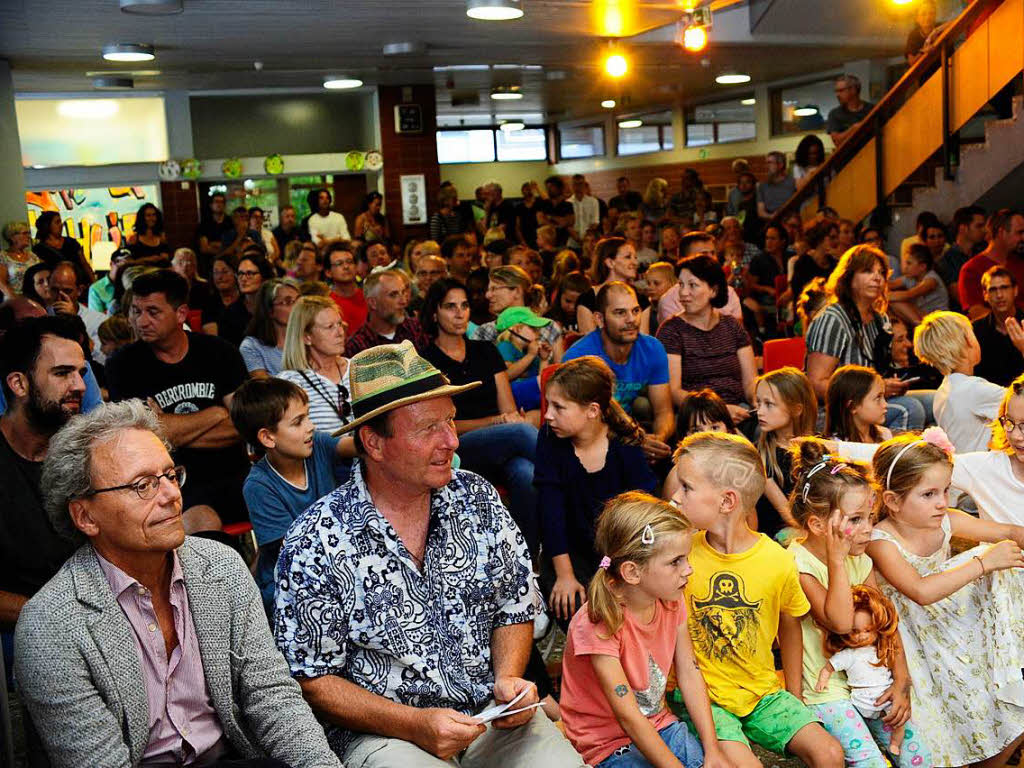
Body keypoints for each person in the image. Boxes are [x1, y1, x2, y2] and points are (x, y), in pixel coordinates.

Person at [273, 341, 582, 766]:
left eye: (451, 421)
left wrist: (509, 678)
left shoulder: (477, 498)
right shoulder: (317, 537)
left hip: (490, 715)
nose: (452, 441)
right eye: (428, 429)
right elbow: (313, 676)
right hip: (386, 734)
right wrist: (413, 724)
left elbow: (514, 604)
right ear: (374, 442)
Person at [15, 399, 342, 768]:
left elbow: (272, 697)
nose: (171, 496)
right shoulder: (52, 625)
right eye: (143, 485)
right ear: (85, 516)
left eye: (171, 476)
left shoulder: (221, 567)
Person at [668, 432, 843, 767]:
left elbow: (789, 623)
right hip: (705, 697)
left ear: (727, 501)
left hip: (761, 692)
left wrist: (794, 692)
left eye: (686, 487)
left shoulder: (777, 559)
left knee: (830, 753)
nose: (675, 497)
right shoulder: (680, 555)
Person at [867, 432, 1024, 766]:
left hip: (951, 629)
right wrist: (982, 563)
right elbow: (921, 592)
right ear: (893, 501)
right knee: (986, 556)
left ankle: (1013, 663)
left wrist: (1009, 543)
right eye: (929, 494)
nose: (942, 502)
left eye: (945, 490)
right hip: (914, 642)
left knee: (1004, 714)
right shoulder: (882, 542)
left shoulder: (946, 519)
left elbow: (1011, 532)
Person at [559, 492, 729, 768]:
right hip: (605, 744)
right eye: (676, 561)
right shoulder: (597, 622)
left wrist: (713, 750)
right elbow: (628, 716)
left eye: (686, 558)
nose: (688, 570)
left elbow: (689, 671)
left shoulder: (671, 598)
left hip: (660, 724)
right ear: (632, 572)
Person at [786, 441, 926, 766]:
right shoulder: (798, 565)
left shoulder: (859, 561)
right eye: (855, 519)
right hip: (825, 689)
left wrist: (901, 682)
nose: (868, 529)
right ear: (818, 525)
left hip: (870, 680)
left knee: (919, 756)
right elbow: (841, 623)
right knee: (870, 762)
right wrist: (836, 563)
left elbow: (885, 624)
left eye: (870, 517)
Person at [106, 269, 250, 524]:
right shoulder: (123, 364)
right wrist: (217, 414)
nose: (141, 321)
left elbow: (244, 424)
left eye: (153, 312)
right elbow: (146, 437)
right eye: (136, 311)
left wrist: (171, 429)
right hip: (169, 484)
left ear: (181, 313)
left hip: (235, 475)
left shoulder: (219, 352)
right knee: (201, 519)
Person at [419, 279, 540, 554]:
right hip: (457, 446)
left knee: (527, 474)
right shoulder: (425, 360)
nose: (460, 313)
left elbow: (508, 409)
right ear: (435, 313)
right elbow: (439, 426)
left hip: (503, 442)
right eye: (451, 307)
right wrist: (496, 422)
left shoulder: (486, 350)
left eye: (464, 306)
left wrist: (505, 421)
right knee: (520, 432)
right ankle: (570, 473)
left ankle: (527, 559)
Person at [537, 358, 658, 623]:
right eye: (549, 404)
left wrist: (612, 574)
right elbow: (551, 511)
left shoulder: (625, 445)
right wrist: (565, 575)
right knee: (578, 608)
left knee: (624, 609)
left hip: (616, 554)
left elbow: (639, 517)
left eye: (559, 407)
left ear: (592, 411)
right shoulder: (550, 438)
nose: (548, 415)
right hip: (570, 552)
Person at [230, 377, 352, 607]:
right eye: (298, 422)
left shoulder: (318, 444)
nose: (311, 426)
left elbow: (358, 446)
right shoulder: (259, 486)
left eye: (308, 416)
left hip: (335, 564)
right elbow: (299, 551)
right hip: (289, 587)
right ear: (267, 437)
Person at [0, 316, 86, 638]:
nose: (79, 386)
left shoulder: (90, 452)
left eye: (81, 373)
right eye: (63, 373)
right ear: (19, 384)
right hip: (23, 635)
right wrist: (58, 615)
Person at [805, 245, 931, 433]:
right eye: (867, 271)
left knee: (937, 401)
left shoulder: (880, 319)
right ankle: (893, 460)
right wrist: (871, 390)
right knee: (911, 409)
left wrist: (890, 383)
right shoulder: (832, 319)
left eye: (881, 272)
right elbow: (816, 384)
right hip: (838, 409)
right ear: (848, 278)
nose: (877, 277)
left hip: (872, 400)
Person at [562, 282, 674, 460]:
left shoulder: (652, 348)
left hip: (631, 432)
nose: (631, 319)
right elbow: (581, 426)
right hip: (590, 442)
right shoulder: (579, 357)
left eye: (636, 311)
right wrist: (634, 443)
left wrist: (659, 439)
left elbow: (664, 411)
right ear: (599, 319)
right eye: (620, 312)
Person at [656, 254, 755, 423]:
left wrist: (758, 402)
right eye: (681, 285)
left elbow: (750, 382)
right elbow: (674, 392)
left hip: (739, 409)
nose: (683, 293)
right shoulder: (672, 330)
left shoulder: (731, 326)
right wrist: (720, 410)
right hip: (698, 416)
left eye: (692, 285)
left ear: (713, 290)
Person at [913, 310, 1003, 453]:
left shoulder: (943, 390)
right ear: (967, 341)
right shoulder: (974, 390)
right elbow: (1018, 400)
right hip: (980, 470)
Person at [752, 367, 817, 541]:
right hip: (777, 535)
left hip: (814, 528)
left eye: (769, 404)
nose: (760, 411)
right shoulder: (759, 455)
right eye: (758, 403)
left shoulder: (817, 448)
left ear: (797, 409)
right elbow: (789, 515)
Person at [277, 295, 353, 434]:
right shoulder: (291, 382)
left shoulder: (358, 368)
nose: (340, 332)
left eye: (340, 324)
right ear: (307, 337)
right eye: (330, 327)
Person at [472, 265, 563, 357]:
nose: (488, 295)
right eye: (488, 290)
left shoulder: (548, 327)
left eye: (494, 289)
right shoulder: (484, 332)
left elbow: (559, 368)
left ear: (517, 291)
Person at [344, 268, 427, 356]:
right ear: (373, 303)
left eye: (403, 292)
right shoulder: (357, 346)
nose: (403, 301)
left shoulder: (416, 329)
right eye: (393, 295)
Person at [959, 209, 1024, 320]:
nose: (1023, 238)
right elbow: (976, 312)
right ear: (1001, 233)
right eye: (1019, 232)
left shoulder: (1019, 262)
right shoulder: (971, 269)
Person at [577, 237, 641, 335]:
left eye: (635, 257)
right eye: (628, 257)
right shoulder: (588, 299)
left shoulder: (640, 298)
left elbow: (643, 342)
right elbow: (589, 344)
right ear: (610, 262)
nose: (635, 263)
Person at [973, 266, 1024, 386]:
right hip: (988, 399)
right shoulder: (975, 330)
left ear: (1015, 290)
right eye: (993, 290)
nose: (999, 295)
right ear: (985, 294)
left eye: (1004, 288)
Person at [48, 260, 106, 362]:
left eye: (67, 291)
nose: (59, 297)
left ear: (79, 290)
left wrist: (75, 321)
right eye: (54, 290)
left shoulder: (98, 321)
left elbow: (100, 359)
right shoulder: (42, 316)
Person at [240, 279, 300, 378]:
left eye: (298, 301)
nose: (297, 307)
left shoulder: (309, 338)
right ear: (269, 310)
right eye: (288, 302)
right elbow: (267, 389)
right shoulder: (252, 347)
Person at [219, 253, 275, 346]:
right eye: (240, 274)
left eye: (249, 273)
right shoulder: (230, 313)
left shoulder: (275, 308)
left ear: (264, 277)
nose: (243, 279)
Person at [826, 365, 892, 443]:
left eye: (883, 396)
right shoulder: (837, 446)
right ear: (852, 406)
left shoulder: (884, 435)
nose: (885, 404)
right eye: (878, 398)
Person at [888, 243, 948, 325]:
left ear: (922, 267)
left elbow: (909, 294)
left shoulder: (931, 280)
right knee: (892, 304)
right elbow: (890, 284)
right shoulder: (910, 277)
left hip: (939, 319)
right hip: (923, 315)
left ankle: (920, 327)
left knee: (896, 302)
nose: (905, 267)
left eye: (909, 263)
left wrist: (885, 296)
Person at [31, 211, 94, 287]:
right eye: (57, 222)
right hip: (60, 286)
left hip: (80, 284)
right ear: (47, 226)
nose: (61, 225)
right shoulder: (40, 249)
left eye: (60, 222)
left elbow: (84, 264)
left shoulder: (71, 242)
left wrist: (93, 281)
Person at [937, 205, 986, 299]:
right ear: (963, 228)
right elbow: (961, 296)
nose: (984, 230)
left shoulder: (982, 251)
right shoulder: (947, 260)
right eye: (979, 226)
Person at [323, 241, 367, 335]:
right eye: (339, 263)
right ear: (328, 272)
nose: (346, 267)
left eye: (349, 262)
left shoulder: (369, 296)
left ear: (356, 267)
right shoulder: (326, 303)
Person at [826, 73, 874, 146]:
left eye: (841, 91)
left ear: (853, 90)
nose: (837, 95)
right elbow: (837, 142)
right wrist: (853, 129)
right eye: (836, 91)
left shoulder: (872, 109)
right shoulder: (835, 114)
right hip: (850, 156)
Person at [0, 220, 40, 299]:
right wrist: (15, 299)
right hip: (14, 300)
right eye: (25, 233)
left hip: (35, 297)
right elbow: (1, 283)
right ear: (13, 237)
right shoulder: (3, 257)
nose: (28, 236)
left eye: (29, 233)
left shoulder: (33, 256)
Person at [201, 255, 241, 336]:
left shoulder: (245, 300)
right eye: (216, 273)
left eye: (225, 272)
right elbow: (214, 339)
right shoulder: (210, 304)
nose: (220, 277)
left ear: (236, 273)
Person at [196, 191, 233, 271]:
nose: (219, 204)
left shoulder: (230, 222)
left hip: (229, 264)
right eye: (216, 202)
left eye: (221, 202)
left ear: (224, 205)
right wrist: (224, 247)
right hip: (209, 264)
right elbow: (204, 248)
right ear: (211, 205)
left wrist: (213, 244)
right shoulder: (204, 223)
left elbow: (233, 246)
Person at [127, 202, 171, 266]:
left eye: (154, 215)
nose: (152, 218)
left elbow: (167, 257)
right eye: (148, 215)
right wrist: (147, 259)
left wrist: (163, 257)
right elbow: (129, 261)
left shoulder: (161, 237)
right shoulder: (134, 239)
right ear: (142, 218)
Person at [756, 152, 797, 221]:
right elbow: (761, 212)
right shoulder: (762, 186)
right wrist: (771, 216)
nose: (766, 166)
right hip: (771, 221)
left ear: (780, 165)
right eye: (766, 163)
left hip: (791, 219)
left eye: (770, 163)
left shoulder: (793, 182)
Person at [638, 262, 675, 337]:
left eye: (656, 283)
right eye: (648, 283)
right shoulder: (647, 312)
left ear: (671, 283)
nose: (650, 288)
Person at [568, 174, 600, 249]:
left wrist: (586, 240)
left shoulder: (593, 201)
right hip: (572, 243)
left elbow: (595, 222)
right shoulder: (567, 203)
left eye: (580, 184)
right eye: (575, 184)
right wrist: (578, 239)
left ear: (584, 185)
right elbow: (568, 226)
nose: (578, 187)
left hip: (589, 243)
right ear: (572, 186)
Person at [905, 0, 939, 66]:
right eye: (923, 14)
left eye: (931, 13)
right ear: (917, 18)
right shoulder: (913, 35)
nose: (928, 17)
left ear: (935, 15)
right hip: (924, 75)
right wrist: (924, 51)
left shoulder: (940, 28)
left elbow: (953, 23)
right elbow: (911, 62)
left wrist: (936, 31)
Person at [544, 175, 575, 246]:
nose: (548, 189)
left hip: (563, 242)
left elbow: (568, 222)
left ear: (559, 188)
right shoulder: (545, 204)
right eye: (547, 187)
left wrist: (550, 217)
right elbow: (541, 221)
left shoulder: (568, 205)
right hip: (546, 243)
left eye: (551, 187)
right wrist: (558, 223)